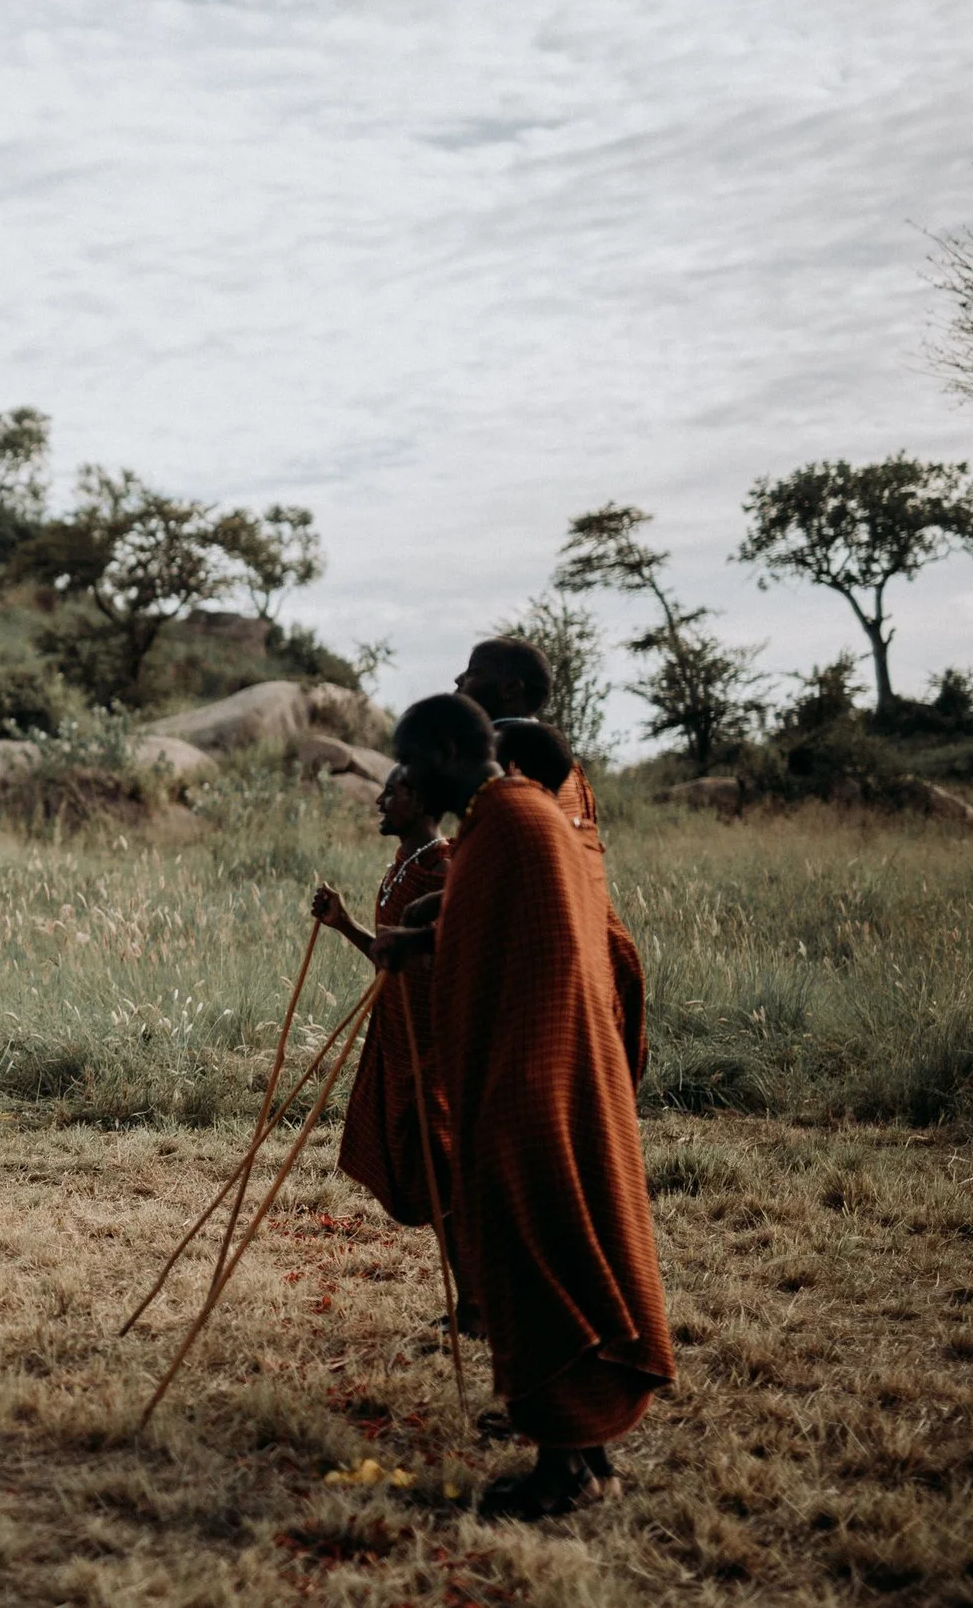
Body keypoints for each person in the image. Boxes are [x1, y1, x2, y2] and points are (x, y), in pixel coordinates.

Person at [373, 694, 674, 1518]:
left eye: (409, 760)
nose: (400, 778)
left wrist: (513, 1097)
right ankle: (586, 1459)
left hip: (533, 1074)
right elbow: (486, 912)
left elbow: (543, 945)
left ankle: (568, 1469)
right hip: (537, 1068)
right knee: (551, 1254)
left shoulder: (508, 820)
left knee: (541, 1257)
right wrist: (420, 935)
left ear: (443, 750)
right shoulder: (507, 818)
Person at [456, 637, 649, 1084]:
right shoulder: (567, 766)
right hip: (588, 938)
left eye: (473, 670)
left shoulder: (504, 763)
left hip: (531, 956)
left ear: (509, 688)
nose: (459, 680)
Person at [310, 765, 451, 1227]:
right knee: (414, 1157)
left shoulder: (443, 869)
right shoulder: (403, 864)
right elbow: (389, 955)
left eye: (392, 792)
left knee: (445, 1162)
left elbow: (448, 959)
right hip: (395, 1026)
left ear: (422, 801)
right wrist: (343, 923)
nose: (380, 801)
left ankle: (475, 1292)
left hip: (432, 1039)